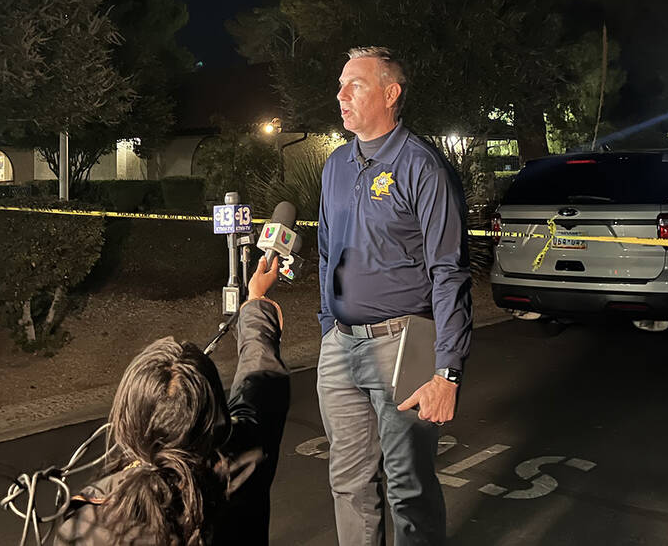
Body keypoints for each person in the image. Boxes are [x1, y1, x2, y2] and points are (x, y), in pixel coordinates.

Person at [317, 46, 473, 545]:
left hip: (402, 346)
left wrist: (446, 371)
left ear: (390, 93)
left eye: (355, 84)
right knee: (348, 483)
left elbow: (449, 272)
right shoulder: (336, 167)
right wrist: (327, 327)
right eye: (341, 84)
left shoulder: (423, 167)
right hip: (339, 347)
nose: (340, 95)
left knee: (409, 487)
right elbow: (326, 252)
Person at [55, 255, 290, 546]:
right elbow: (260, 383)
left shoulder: (90, 515)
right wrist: (256, 303)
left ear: (129, 417)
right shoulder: (244, 457)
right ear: (212, 415)